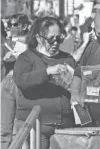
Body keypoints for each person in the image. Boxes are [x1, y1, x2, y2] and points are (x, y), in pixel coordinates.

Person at [12, 17, 75, 149]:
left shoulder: (67, 58)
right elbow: (21, 80)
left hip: (63, 126)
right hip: (37, 127)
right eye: (51, 39)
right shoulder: (27, 58)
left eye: (59, 38)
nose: (55, 43)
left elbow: (77, 87)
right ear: (39, 38)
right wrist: (47, 72)